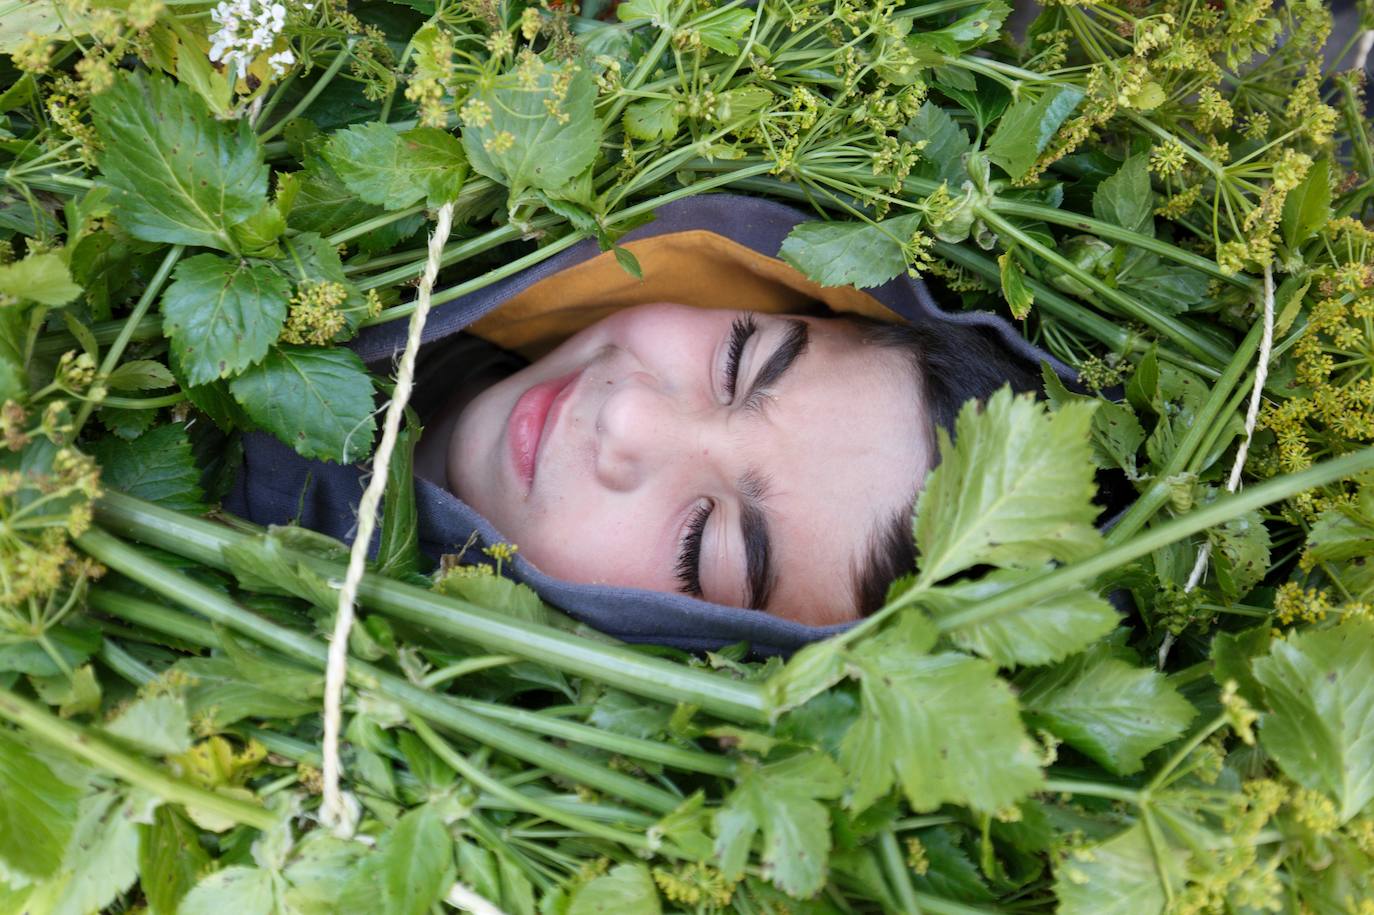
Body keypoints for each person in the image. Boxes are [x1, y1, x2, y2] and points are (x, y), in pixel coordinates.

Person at [226, 195, 1072, 654]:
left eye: (703, 542)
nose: (628, 418)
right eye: (740, 361)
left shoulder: (249, 624)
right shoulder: (421, 202)